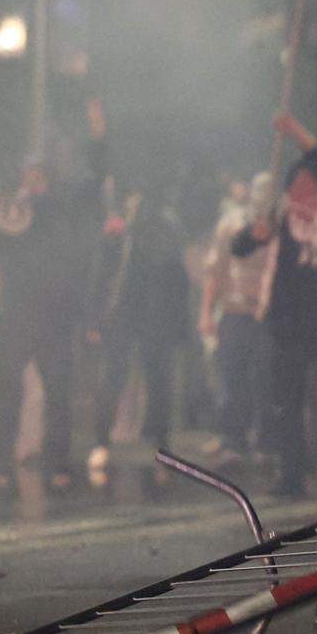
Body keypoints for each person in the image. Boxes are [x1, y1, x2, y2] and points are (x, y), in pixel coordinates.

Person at [231, 111, 317, 495]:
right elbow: (239, 245)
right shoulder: (281, 219)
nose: (303, 191)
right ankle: (290, 476)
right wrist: (255, 235)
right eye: (297, 185)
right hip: (287, 320)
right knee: (287, 400)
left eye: (309, 184)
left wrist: (296, 132)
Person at [0, 99, 110, 489]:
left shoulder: (63, 207)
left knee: (57, 393)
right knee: (6, 392)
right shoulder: (13, 212)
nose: (33, 181)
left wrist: (98, 136)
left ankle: (57, 464)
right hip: (18, 315)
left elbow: (95, 179)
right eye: (28, 176)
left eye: (38, 175)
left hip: (55, 315)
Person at [86, 186, 189, 477]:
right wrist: (95, 320)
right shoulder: (116, 239)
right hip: (124, 318)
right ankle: (103, 440)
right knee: (116, 377)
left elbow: (176, 282)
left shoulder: (165, 236)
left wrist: (176, 323)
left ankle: (159, 441)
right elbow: (101, 278)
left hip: (152, 319)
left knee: (155, 379)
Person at [200, 174, 274, 461]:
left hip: (266, 315)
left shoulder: (280, 229)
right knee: (232, 379)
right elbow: (215, 270)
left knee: (265, 380)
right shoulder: (230, 224)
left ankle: (265, 441)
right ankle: (233, 439)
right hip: (233, 312)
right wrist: (206, 312)